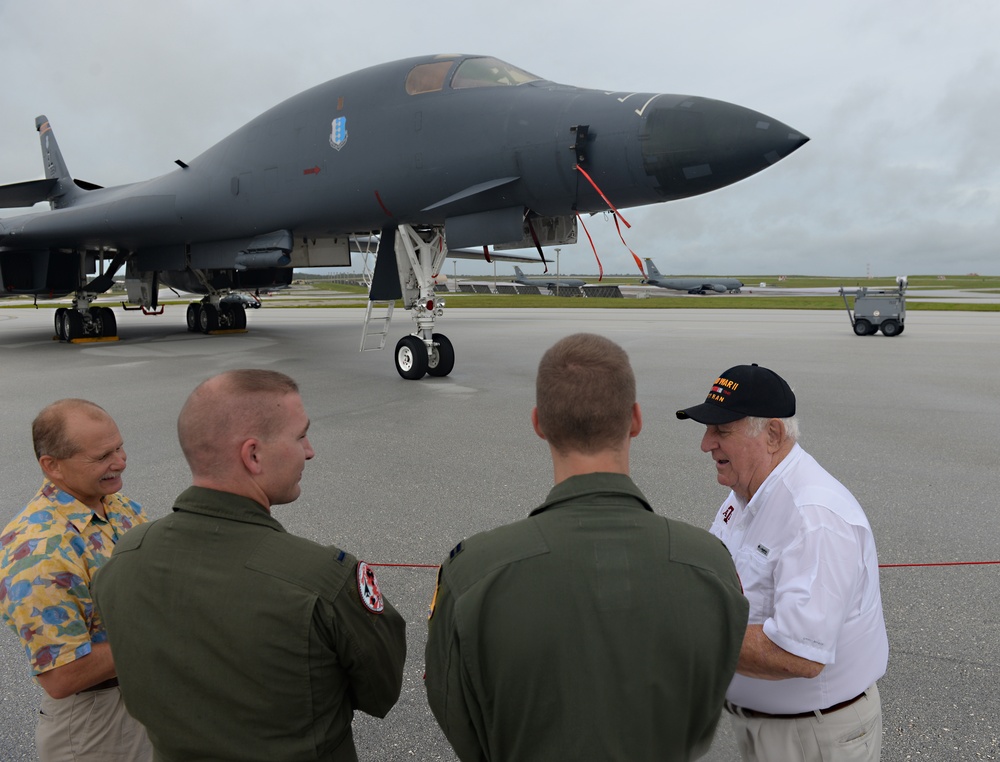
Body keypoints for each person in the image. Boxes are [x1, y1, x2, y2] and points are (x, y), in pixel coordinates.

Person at [425, 333, 749, 761]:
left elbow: (456, 713)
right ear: (635, 420)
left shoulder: (472, 575)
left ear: (539, 423)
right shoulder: (710, 565)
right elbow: (706, 706)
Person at [91, 369, 407, 762]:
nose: (309, 450)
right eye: (300, 435)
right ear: (253, 455)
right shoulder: (321, 580)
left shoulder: (124, 560)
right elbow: (380, 692)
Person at [676, 363, 888, 762]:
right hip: (770, 727)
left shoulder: (814, 518)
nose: (706, 444)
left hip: (813, 737)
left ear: (772, 434)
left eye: (722, 431)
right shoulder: (743, 494)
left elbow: (798, 654)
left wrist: (682, 631)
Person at [0, 399, 152, 761]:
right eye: (102, 457)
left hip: (144, 692)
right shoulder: (38, 553)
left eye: (119, 447)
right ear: (52, 466)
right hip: (97, 724)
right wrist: (160, 632)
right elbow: (63, 677)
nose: (120, 461)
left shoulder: (115, 504)